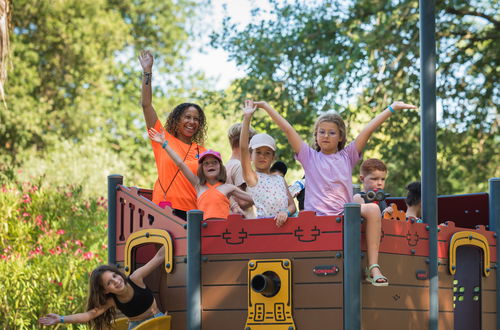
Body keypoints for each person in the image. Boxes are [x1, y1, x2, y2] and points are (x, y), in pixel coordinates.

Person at [254, 99, 417, 286]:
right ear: (315, 136)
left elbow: (367, 131)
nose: (326, 136)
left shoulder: (347, 156)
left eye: (332, 133)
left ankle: (373, 266)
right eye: (321, 132)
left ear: (340, 137)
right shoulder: (309, 156)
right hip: (317, 216)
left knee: (371, 209)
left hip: (343, 213)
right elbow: (288, 130)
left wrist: (391, 108)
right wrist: (267, 107)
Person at [139, 50, 207, 220]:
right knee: (172, 246)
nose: (192, 122)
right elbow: (146, 105)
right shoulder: (161, 138)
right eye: (187, 117)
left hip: (193, 212)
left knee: (185, 247)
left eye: (196, 119)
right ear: (177, 120)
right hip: (164, 208)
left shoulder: (203, 151)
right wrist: (147, 72)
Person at [39, 247, 166, 329]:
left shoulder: (135, 278)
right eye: (109, 283)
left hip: (157, 321)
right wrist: (61, 318)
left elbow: (159, 257)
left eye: (115, 276)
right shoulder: (112, 300)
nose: (116, 281)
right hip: (137, 327)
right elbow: (89, 315)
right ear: (106, 290)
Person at [148, 128, 253, 221]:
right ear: (201, 169)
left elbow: (255, 198)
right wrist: (164, 144)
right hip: (204, 231)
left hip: (223, 231)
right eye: (206, 163)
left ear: (220, 167)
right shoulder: (198, 185)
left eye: (214, 162)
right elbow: (180, 163)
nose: (210, 165)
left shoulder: (228, 188)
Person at [240, 100, 296, 227]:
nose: (262, 156)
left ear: (273, 157)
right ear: (250, 156)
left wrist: (285, 212)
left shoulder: (279, 179)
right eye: (258, 152)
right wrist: (247, 118)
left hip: (287, 229)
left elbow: (292, 205)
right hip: (264, 229)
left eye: (267, 153)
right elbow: (243, 148)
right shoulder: (252, 178)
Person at [226, 123, 257, 218]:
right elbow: (242, 202)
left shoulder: (227, 165)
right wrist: (267, 194)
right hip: (244, 224)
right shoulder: (239, 166)